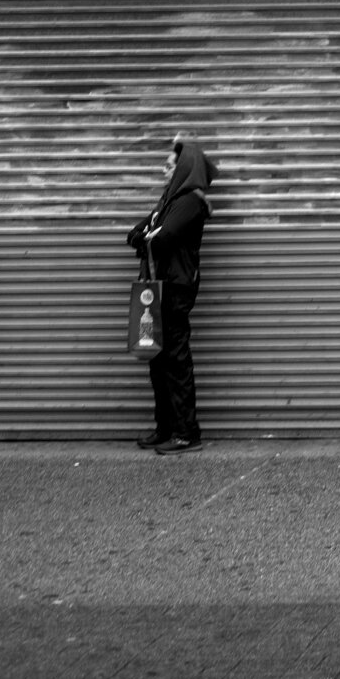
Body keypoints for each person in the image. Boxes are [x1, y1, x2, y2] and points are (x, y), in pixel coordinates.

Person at [126, 136, 216, 455]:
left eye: (169, 165)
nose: (164, 169)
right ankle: (165, 427)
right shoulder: (169, 200)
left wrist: (148, 237)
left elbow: (160, 242)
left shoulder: (190, 201)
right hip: (156, 287)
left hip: (175, 289)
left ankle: (186, 433)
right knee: (157, 360)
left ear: (184, 169)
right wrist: (147, 236)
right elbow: (134, 235)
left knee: (176, 362)